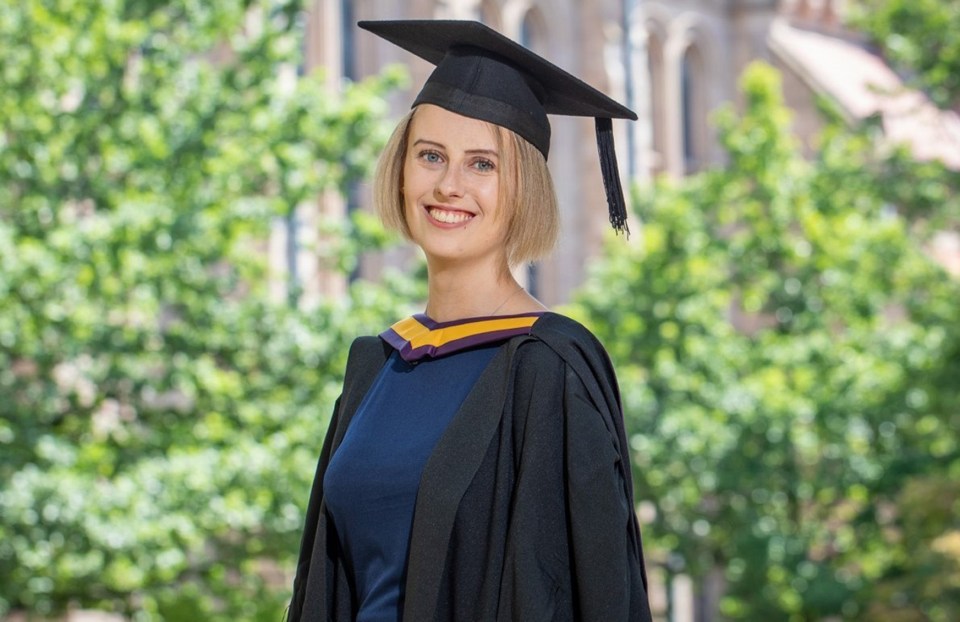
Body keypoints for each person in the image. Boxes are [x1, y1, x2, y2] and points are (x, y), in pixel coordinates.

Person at [287, 19, 653, 622]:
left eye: (482, 164)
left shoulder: (550, 369)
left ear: (523, 189)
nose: (449, 185)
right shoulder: (376, 364)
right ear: (402, 171)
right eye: (430, 156)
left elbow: (591, 592)